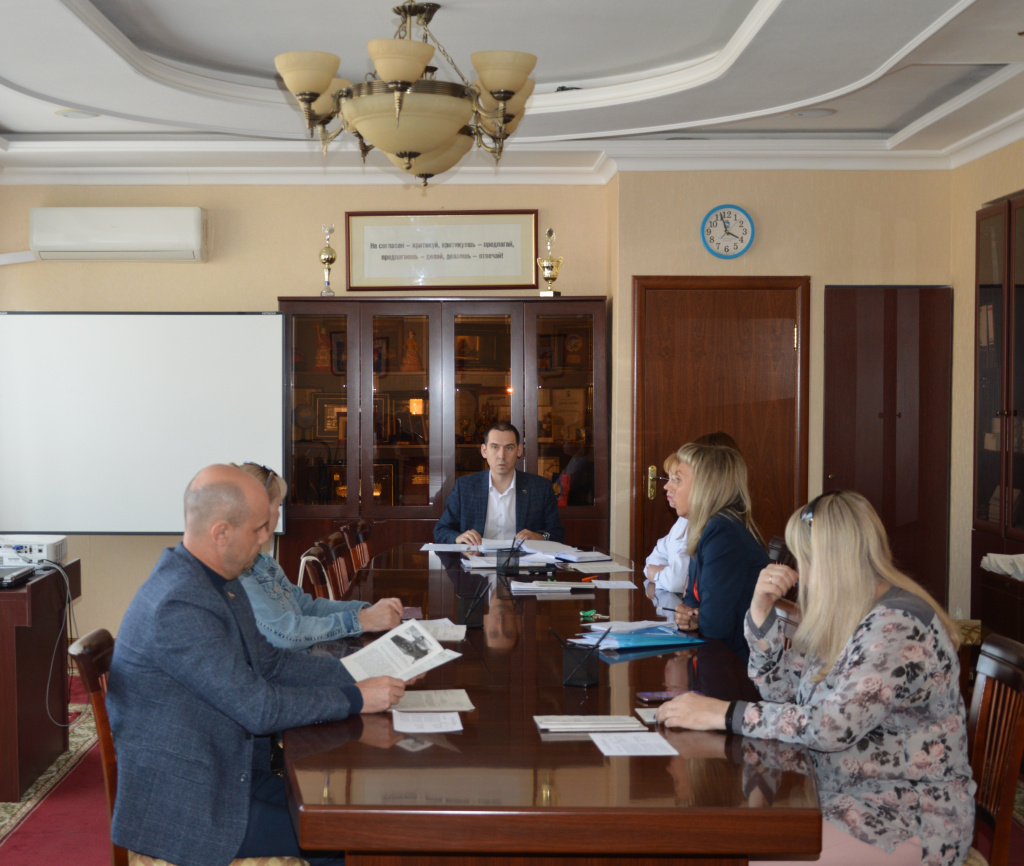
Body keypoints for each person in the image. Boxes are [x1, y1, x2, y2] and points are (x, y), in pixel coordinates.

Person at [106, 464, 406, 866]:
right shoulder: (178, 604)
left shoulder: (219, 581)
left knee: (352, 817)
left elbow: (273, 664)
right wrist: (355, 698)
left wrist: (362, 672)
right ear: (221, 533)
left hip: (227, 774)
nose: (267, 538)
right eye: (259, 529)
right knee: (349, 838)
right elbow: (259, 708)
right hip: (190, 808)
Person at [657, 491, 975, 866]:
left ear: (830, 561)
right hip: (846, 801)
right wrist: (760, 611)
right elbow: (783, 690)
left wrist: (725, 714)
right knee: (729, 838)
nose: (800, 574)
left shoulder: (896, 625)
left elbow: (830, 726)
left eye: (803, 559)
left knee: (744, 856)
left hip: (904, 820)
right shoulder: (855, 613)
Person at [234, 462, 403, 654]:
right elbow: (285, 635)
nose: (279, 514)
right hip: (299, 666)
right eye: (278, 505)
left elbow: (307, 607)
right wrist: (361, 620)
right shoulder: (238, 572)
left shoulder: (264, 562)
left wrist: (366, 611)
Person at [670, 441, 769, 661]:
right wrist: (689, 615)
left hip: (735, 665)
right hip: (717, 655)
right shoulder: (709, 527)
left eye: (678, 479)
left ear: (705, 487)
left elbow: (716, 626)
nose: (669, 487)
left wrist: (698, 618)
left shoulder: (723, 533)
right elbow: (692, 601)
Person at [433, 420, 564, 544]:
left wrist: (540, 537)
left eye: (509, 448)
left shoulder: (540, 488)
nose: (501, 455)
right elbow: (441, 530)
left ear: (519, 451)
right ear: (484, 451)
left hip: (523, 559)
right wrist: (459, 538)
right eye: (495, 447)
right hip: (476, 558)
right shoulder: (464, 487)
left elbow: (557, 533)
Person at [645, 432, 740, 596]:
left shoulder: (718, 529)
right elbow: (653, 559)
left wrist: (658, 573)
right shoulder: (684, 520)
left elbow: (678, 581)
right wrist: (660, 572)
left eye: (677, 479)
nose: (666, 487)